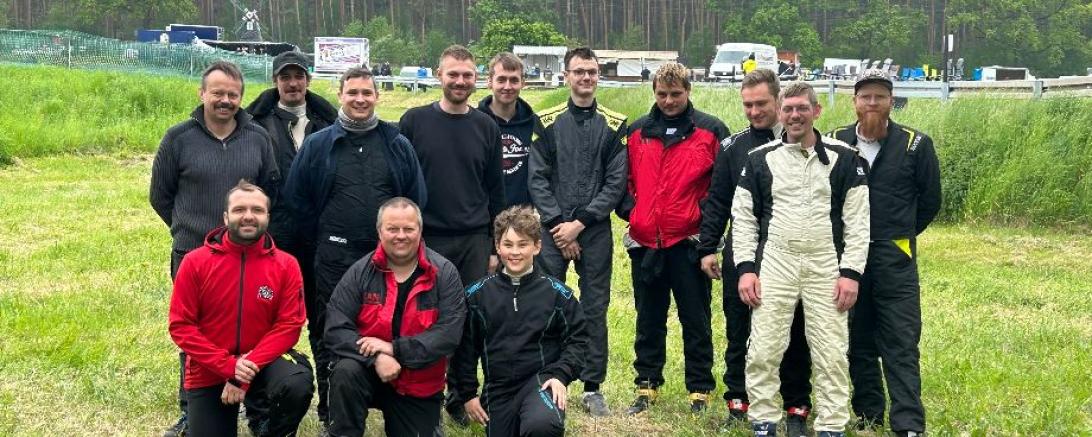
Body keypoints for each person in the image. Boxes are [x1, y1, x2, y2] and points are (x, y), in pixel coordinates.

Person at [283, 66, 427, 429]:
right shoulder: (319, 144)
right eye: (353, 93)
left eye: (367, 92)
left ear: (377, 96)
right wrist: (317, 244)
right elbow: (296, 201)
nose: (360, 99)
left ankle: (398, 397)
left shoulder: (397, 144)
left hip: (388, 257)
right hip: (333, 255)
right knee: (330, 326)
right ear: (340, 96)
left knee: (394, 324)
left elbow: (416, 198)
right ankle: (333, 403)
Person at [732, 82, 870, 437]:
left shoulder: (845, 158)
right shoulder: (759, 159)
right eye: (788, 109)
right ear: (780, 113)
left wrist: (851, 273)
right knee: (763, 346)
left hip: (826, 262)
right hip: (777, 260)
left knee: (831, 351)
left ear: (816, 111)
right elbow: (744, 218)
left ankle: (831, 425)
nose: (795, 115)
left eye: (802, 108)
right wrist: (746, 269)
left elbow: (858, 222)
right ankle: (763, 420)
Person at [150, 60, 280, 437]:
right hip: (193, 255)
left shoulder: (258, 138)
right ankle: (192, 409)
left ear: (241, 97)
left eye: (233, 94)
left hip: (250, 257)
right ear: (202, 93)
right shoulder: (178, 138)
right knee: (195, 334)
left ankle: (256, 409)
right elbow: (160, 195)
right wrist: (187, 230)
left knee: (253, 329)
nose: (225, 100)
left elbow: (271, 191)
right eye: (218, 92)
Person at [697, 69, 815, 435]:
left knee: (795, 329)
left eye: (761, 103)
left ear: (779, 100)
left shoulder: (803, 143)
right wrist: (707, 248)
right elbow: (717, 201)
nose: (754, 111)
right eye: (747, 105)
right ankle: (739, 399)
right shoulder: (733, 148)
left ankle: (796, 404)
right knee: (739, 328)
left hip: (791, 252)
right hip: (743, 250)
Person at [829, 69, 941, 437]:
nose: (872, 103)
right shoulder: (835, 143)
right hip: (849, 260)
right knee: (857, 339)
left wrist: (898, 233)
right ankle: (868, 414)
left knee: (901, 339)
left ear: (892, 101)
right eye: (866, 97)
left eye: (880, 96)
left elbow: (929, 202)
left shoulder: (916, 144)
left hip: (896, 258)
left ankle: (908, 423)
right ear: (855, 102)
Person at [400, 45, 505, 423]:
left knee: (470, 320)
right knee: (425, 318)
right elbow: (402, 184)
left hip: (474, 240)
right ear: (438, 75)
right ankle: (418, 393)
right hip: (428, 241)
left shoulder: (486, 126)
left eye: (466, 75)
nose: (460, 81)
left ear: (475, 78)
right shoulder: (413, 122)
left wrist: (494, 246)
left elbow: (496, 191)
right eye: (453, 74)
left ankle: (461, 395)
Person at [616, 62, 726, 415]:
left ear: (688, 91)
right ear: (654, 93)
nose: (668, 100)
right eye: (662, 94)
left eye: (675, 93)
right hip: (645, 240)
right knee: (648, 318)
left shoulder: (710, 131)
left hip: (688, 241)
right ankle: (647, 386)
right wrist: (634, 212)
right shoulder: (636, 132)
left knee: (695, 319)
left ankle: (700, 390)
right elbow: (621, 182)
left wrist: (703, 223)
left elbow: (720, 188)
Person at [168, 181, 313, 437]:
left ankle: (268, 426)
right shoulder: (194, 262)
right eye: (239, 210)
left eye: (257, 210)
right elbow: (181, 327)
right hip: (210, 369)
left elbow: (289, 326)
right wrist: (227, 366)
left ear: (268, 216)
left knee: (296, 381)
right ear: (225, 216)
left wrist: (243, 371)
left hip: (263, 363)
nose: (248, 216)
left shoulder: (286, 264)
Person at [529, 47, 628, 417]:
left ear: (597, 75)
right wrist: (558, 227)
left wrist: (580, 224)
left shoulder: (617, 123)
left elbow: (616, 182)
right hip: (552, 230)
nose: (585, 78)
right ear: (566, 75)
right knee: (547, 302)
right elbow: (536, 177)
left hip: (594, 230)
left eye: (591, 72)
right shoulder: (547, 121)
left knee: (594, 307)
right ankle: (548, 377)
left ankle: (592, 386)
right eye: (578, 72)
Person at [323, 197, 465, 437]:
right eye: (392, 229)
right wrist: (376, 357)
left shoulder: (445, 273)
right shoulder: (360, 271)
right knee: (345, 372)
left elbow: (448, 334)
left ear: (420, 230)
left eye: (408, 229)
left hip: (418, 381)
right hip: (367, 371)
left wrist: (394, 349)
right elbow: (335, 328)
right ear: (379, 231)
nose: (401, 235)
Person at [245, 52, 337, 415]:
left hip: (320, 240)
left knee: (324, 319)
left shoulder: (329, 121)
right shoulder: (255, 124)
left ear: (308, 80)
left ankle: (330, 402)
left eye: (299, 76)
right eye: (285, 77)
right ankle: (261, 401)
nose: (293, 83)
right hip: (275, 240)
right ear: (275, 81)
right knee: (265, 319)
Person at [451, 206, 589, 436]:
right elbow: (464, 348)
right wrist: (467, 394)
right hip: (498, 389)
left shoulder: (558, 294)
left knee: (541, 426)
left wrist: (560, 375)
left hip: (541, 383)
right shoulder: (476, 295)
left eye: (523, 244)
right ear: (497, 246)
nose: (515, 252)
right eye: (508, 244)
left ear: (537, 246)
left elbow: (579, 339)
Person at [478, 52, 544, 208]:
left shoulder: (535, 125)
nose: (507, 86)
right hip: (482, 217)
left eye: (514, 80)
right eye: (501, 80)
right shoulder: (474, 124)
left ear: (523, 83)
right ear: (489, 82)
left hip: (523, 217)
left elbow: (543, 172)